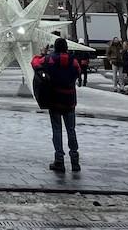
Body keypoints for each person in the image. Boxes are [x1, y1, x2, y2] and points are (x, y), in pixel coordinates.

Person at [40, 37, 82, 173]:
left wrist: (42, 53)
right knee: (71, 130)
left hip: (54, 100)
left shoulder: (49, 60)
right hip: (69, 100)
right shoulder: (74, 62)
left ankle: (59, 160)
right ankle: (75, 161)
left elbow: (35, 63)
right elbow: (78, 73)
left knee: (57, 131)